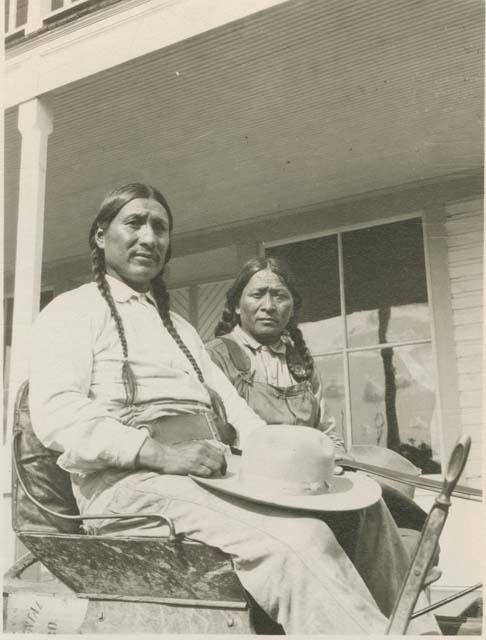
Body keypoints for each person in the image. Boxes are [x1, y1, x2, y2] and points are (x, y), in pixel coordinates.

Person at [29, 183, 438, 635]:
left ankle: (418, 631)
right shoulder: (71, 311)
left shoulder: (178, 327)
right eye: (134, 223)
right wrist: (158, 453)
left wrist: (297, 457)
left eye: (160, 227)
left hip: (205, 473)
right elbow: (56, 414)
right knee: (300, 539)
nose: (149, 237)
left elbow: (242, 419)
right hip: (125, 486)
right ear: (101, 236)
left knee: (364, 508)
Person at [206, 256, 429, 532]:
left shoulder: (300, 361)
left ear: (292, 308)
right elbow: (215, 440)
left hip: (312, 485)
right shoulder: (214, 357)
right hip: (250, 492)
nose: (268, 306)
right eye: (257, 295)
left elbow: (327, 431)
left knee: (391, 514)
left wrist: (336, 459)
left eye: (279, 296)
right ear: (237, 306)